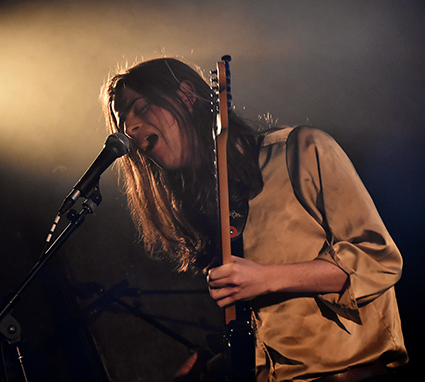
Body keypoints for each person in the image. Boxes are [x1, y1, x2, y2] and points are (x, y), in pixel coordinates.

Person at [101, 57, 408, 381]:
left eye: (141, 107)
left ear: (187, 96)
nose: (129, 128)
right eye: (122, 121)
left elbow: (380, 260)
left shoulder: (300, 149)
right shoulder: (205, 205)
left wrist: (267, 277)